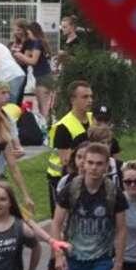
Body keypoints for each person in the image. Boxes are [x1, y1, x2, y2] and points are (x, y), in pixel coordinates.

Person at [46, 80, 95, 213]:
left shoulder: (93, 119)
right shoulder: (63, 126)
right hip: (61, 178)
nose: (90, 100)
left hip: (86, 175)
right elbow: (65, 161)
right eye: (85, 97)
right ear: (73, 100)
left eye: (91, 96)